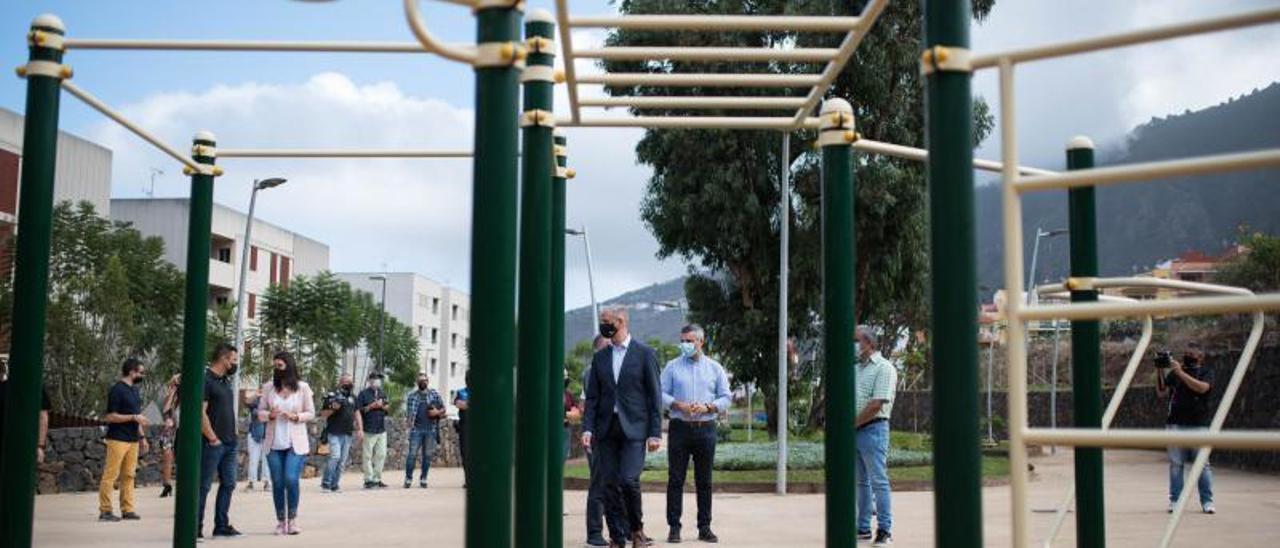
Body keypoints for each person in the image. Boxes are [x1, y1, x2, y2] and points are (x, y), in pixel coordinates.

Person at [582, 308, 663, 548]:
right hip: (606, 429)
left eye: (607, 322)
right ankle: (617, 537)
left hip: (635, 429)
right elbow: (593, 398)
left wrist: (655, 432)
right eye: (601, 323)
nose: (603, 326)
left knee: (628, 480)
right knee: (608, 483)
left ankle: (636, 530)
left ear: (621, 322)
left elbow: (654, 397)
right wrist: (587, 429)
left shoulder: (645, 353)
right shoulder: (600, 357)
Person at [660, 324, 731, 544]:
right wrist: (676, 404)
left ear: (701, 342)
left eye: (690, 341)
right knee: (675, 480)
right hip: (680, 427)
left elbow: (726, 397)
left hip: (706, 428)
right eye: (683, 340)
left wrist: (709, 407)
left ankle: (704, 527)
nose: (685, 344)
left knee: (705, 481)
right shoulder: (672, 367)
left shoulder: (715, 368)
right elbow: (659, 392)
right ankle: (674, 527)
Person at [1155, 342, 1216, 514]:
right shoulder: (1175, 373)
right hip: (1175, 424)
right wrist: (1159, 369)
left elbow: (1202, 388)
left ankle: (1207, 501)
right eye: (1186, 352)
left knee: (1202, 465)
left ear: (1200, 357)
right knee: (1176, 464)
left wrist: (1180, 372)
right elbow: (1161, 392)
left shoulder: (1206, 372)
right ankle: (1175, 501)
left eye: (1192, 353)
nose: (1188, 355)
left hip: (1199, 425)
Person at [259, 351, 315, 535]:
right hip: (273, 443)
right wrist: (270, 415)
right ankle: (280, 521)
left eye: (280, 365)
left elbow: (311, 412)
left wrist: (296, 416)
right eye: (275, 366)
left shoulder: (303, 387)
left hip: (295, 443)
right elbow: (259, 413)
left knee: (291, 479)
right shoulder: (268, 387)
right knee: (277, 482)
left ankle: (292, 519)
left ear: (289, 366)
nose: (277, 369)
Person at [853, 325, 898, 546]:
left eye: (856, 340)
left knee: (878, 481)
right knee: (861, 482)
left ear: (869, 343)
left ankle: (884, 530)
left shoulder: (884, 368)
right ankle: (862, 528)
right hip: (855, 431)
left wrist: (851, 424)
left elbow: (876, 404)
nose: (854, 345)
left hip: (873, 429)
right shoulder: (857, 369)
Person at [198, 342, 242, 538]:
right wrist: (212, 438)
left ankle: (221, 526)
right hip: (213, 443)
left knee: (229, 483)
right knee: (203, 486)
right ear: (224, 359)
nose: (235, 364)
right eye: (233, 360)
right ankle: (194, 528)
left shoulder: (225, 382)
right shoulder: (205, 380)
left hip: (229, 442)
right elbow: (200, 412)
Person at [98, 358, 149, 522]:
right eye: (141, 372)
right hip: (117, 438)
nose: (142, 375)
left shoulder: (134, 390)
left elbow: (137, 417)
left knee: (129, 475)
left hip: (133, 439)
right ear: (131, 371)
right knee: (110, 475)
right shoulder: (117, 390)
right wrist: (133, 417)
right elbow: (111, 416)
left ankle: (127, 509)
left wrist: (142, 437)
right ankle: (105, 510)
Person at [583, 334, 611, 547]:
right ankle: (594, 533)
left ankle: (626, 530)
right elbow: (590, 404)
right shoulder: (592, 372)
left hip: (619, 434)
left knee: (623, 484)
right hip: (600, 435)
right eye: (608, 346)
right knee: (599, 484)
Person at [0, 359, 52, 467]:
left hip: (25, 445)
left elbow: (43, 417)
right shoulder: (3, 387)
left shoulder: (37, 388)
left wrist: (40, 446)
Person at [320, 373, 362, 493]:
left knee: (342, 461)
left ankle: (335, 484)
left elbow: (357, 413)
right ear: (340, 382)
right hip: (334, 432)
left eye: (350, 381)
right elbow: (323, 414)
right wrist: (333, 409)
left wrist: (360, 429)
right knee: (335, 456)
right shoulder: (332, 396)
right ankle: (326, 483)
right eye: (345, 381)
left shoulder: (353, 397)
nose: (348, 384)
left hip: (347, 433)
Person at [404, 372, 445, 488]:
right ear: (417, 383)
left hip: (430, 430)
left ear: (428, 381)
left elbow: (443, 409)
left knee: (427, 456)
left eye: (425, 380)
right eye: (421, 380)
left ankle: (423, 478)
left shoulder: (434, 394)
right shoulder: (412, 396)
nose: (423, 382)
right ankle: (408, 479)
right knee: (411, 455)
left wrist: (438, 412)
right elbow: (409, 414)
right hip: (415, 430)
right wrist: (408, 425)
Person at [357, 371, 390, 489]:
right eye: (375, 379)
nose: (377, 381)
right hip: (368, 428)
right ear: (369, 380)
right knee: (367, 456)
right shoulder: (363, 394)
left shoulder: (382, 393)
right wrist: (371, 406)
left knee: (381, 454)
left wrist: (381, 406)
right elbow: (359, 410)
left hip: (381, 429)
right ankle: (368, 479)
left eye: (379, 379)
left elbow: (387, 408)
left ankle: (377, 479)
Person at [243, 387, 271, 492]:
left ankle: (267, 482)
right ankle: (251, 483)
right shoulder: (255, 402)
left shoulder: (272, 403)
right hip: (254, 434)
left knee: (267, 461)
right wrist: (256, 394)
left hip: (268, 435)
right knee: (253, 460)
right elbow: (246, 401)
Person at [158, 374, 180, 498]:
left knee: (178, 459)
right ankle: (167, 485)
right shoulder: (171, 397)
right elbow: (165, 410)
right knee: (167, 456)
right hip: (169, 432)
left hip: (180, 431)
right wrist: (172, 392)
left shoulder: (188, 397)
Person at [453, 372, 470, 487]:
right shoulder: (461, 392)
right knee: (464, 453)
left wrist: (466, 404)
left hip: (478, 428)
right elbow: (458, 404)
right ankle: (468, 480)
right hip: (464, 426)